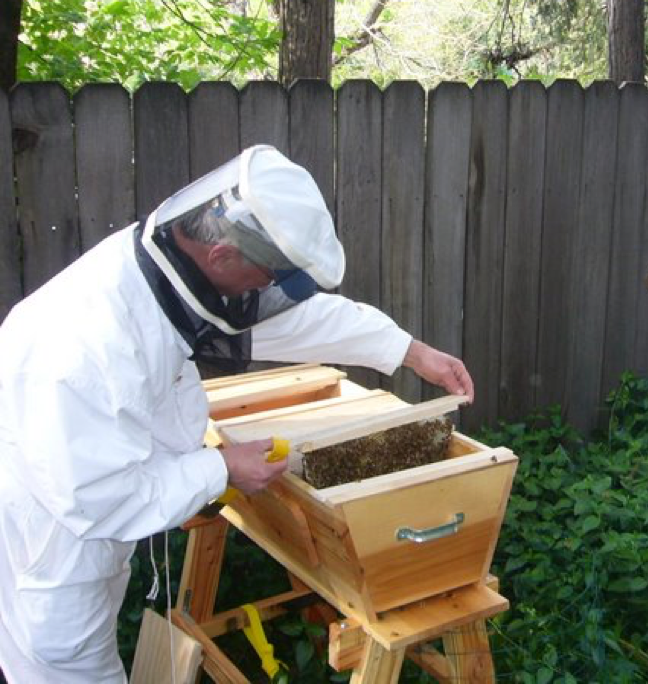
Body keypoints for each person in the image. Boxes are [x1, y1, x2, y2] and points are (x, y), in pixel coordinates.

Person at [0, 145, 474, 682]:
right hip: (53, 551)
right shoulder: (87, 351)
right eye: (267, 276)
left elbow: (296, 321)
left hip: (67, 501)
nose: (269, 290)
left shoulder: (176, 274)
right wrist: (221, 468)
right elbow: (101, 498)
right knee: (65, 660)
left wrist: (410, 352)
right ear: (223, 256)